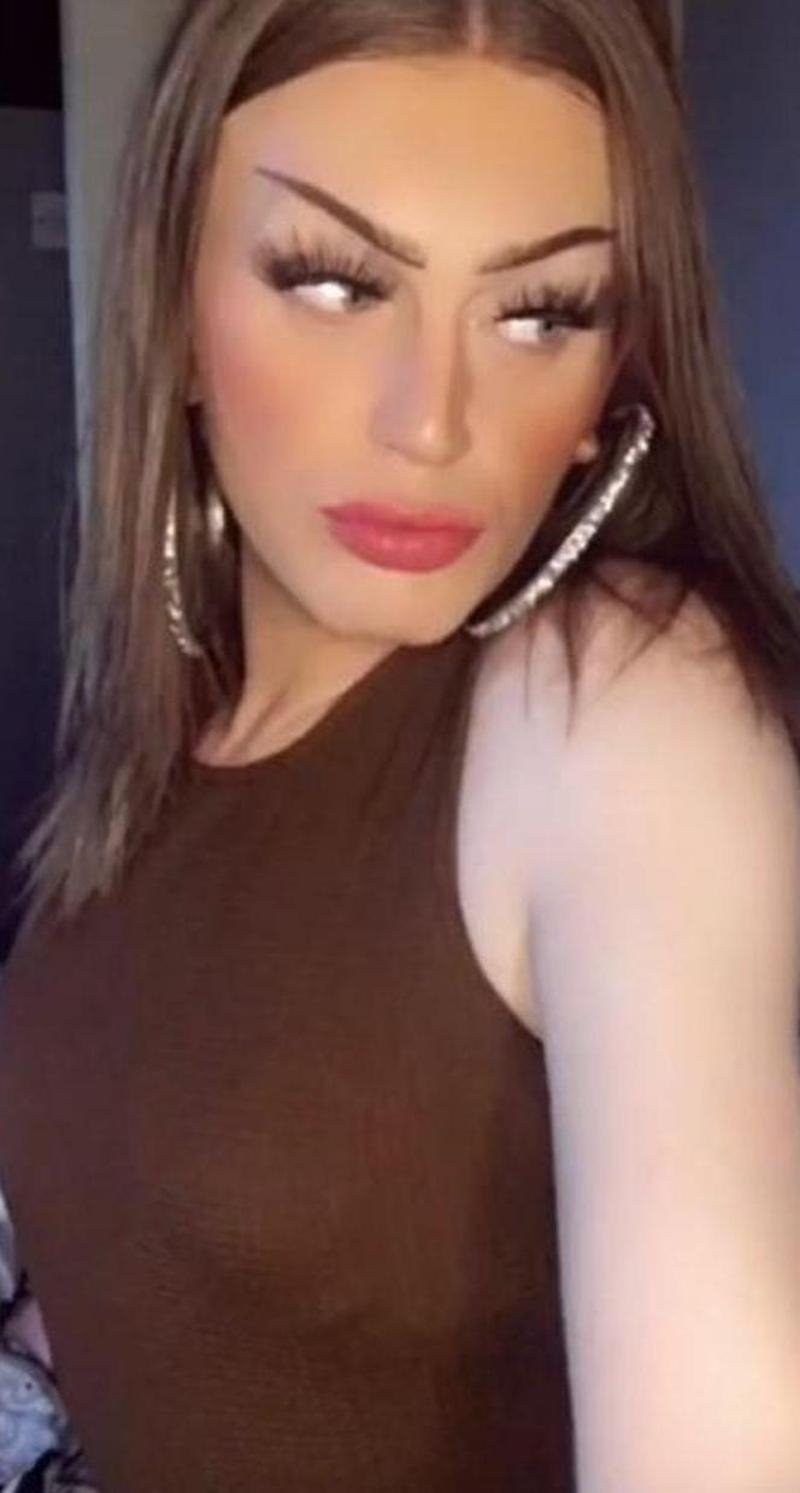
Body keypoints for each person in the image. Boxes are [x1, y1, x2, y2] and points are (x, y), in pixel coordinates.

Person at [1, 0, 799, 1489]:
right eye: (333, 282)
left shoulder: (622, 703)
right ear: (175, 313)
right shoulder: (165, 747)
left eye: (542, 312)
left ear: (615, 377)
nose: (432, 422)